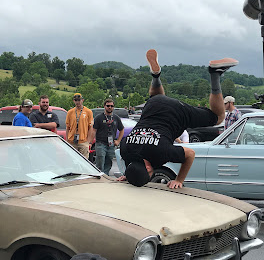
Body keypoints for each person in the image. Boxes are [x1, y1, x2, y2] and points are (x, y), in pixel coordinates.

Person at [119, 49, 238, 189]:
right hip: (154, 105)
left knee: (218, 117)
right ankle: (156, 76)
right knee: (156, 96)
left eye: (150, 172)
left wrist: (179, 180)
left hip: (177, 113)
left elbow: (190, 154)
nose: (152, 171)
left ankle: (215, 74)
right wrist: (130, 175)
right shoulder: (125, 149)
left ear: (146, 166)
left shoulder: (161, 152)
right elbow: (130, 162)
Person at [90, 99, 124, 175]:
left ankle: (106, 176)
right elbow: (93, 130)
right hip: (100, 143)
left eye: (112, 106)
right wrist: (90, 142)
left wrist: (118, 141)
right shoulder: (99, 117)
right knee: (100, 161)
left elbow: (122, 130)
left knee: (109, 162)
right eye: (108, 106)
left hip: (111, 144)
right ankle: (99, 176)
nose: (110, 107)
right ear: (104, 106)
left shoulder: (116, 118)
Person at [65, 93, 94, 158]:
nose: (77, 102)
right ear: (73, 101)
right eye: (76, 100)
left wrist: (88, 142)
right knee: (72, 160)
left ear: (82, 100)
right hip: (72, 141)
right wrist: (67, 141)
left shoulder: (88, 112)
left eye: (79, 100)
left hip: (83, 141)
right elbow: (67, 127)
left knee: (84, 161)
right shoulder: (70, 112)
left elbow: (90, 127)